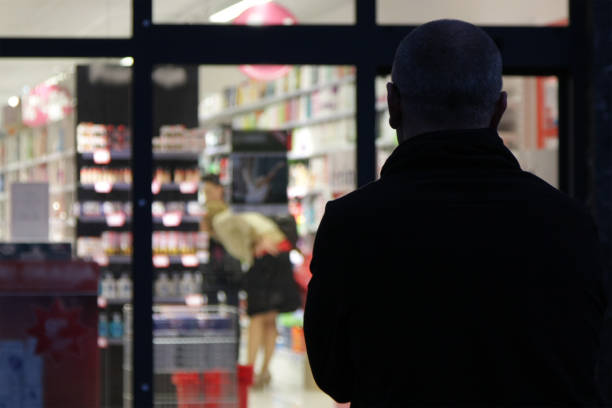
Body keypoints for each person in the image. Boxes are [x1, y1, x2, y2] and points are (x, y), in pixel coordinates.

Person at [304, 19, 608, 407]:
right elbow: (588, 361)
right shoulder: (570, 223)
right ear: (499, 109)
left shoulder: (350, 227)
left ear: (393, 106)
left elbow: (335, 377)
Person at [203, 174, 301, 388]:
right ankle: (260, 372)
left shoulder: (226, 214)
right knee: (265, 318)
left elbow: (247, 233)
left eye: (210, 191)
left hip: (266, 260)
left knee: (261, 317)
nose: (208, 196)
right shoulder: (224, 213)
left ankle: (255, 371)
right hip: (274, 257)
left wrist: (257, 242)